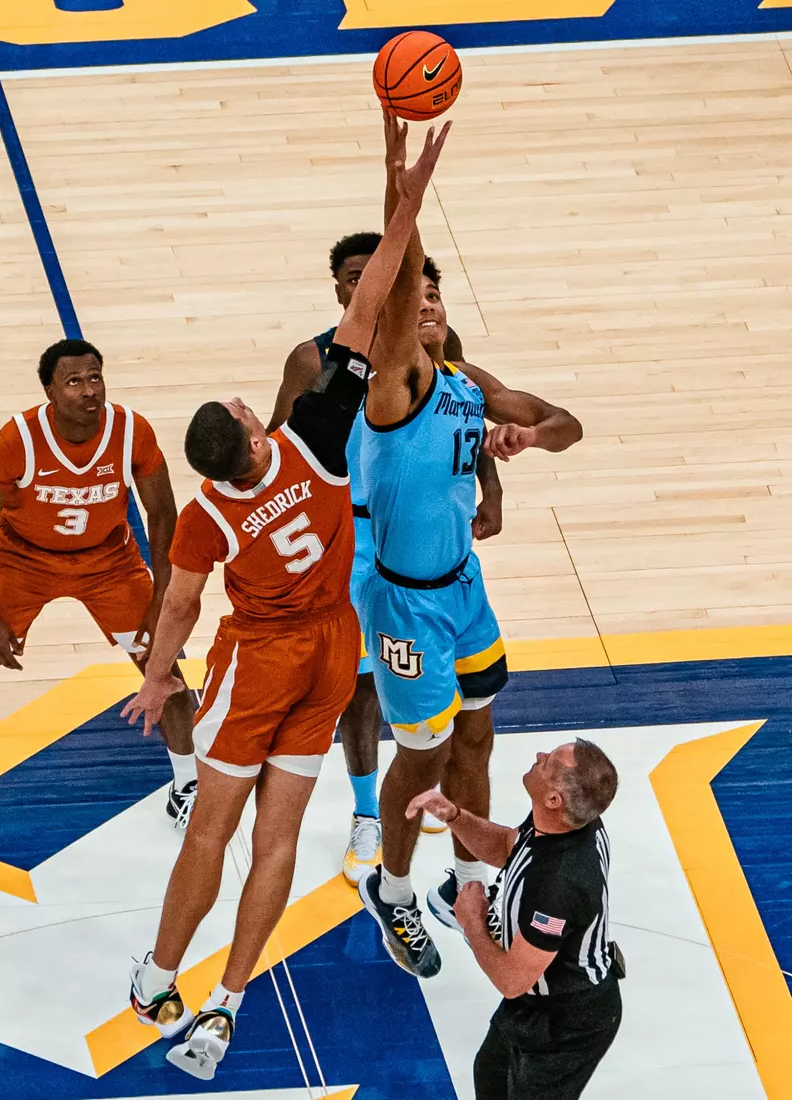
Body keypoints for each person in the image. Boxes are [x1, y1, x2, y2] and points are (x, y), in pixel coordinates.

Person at [119, 121, 452, 1082]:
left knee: (213, 829)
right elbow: (378, 295)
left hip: (260, 660)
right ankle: (224, 1007)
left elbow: (179, 610)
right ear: (249, 427)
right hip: (326, 651)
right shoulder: (315, 436)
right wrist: (406, 192)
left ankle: (158, 976)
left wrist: (155, 680)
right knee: (276, 841)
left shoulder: (206, 518)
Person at [356, 113, 584, 980]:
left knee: (478, 741)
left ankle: (463, 880)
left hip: (462, 588)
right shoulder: (397, 382)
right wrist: (400, 184)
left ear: (447, 311)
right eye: (407, 298)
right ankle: (395, 887)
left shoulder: (462, 380)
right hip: (404, 598)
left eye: (433, 296)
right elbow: (395, 269)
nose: (421, 303)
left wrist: (526, 441)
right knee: (419, 754)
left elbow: (566, 423)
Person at [266, 237, 503, 887]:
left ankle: (431, 792)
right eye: (353, 277)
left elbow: (466, 414)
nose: (365, 287)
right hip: (347, 538)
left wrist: (492, 487)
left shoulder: (435, 346)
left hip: (419, 537)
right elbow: (277, 459)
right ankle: (368, 813)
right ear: (340, 289)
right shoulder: (311, 359)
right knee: (364, 684)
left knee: (449, 681)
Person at [0, 340, 196, 867]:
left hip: (108, 561)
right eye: (74, 382)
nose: (89, 390)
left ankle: (188, 787)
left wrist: (161, 596)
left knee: (166, 671)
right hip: (20, 561)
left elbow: (163, 513)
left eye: (95, 378)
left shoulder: (133, 430)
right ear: (49, 390)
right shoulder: (18, 438)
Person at [407, 739, 622, 1100]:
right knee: (489, 1075)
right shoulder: (567, 822)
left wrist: (472, 921)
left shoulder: (558, 885)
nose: (539, 756)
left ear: (554, 799)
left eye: (549, 761)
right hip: (536, 1004)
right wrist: (453, 816)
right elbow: (509, 845)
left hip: (569, 1022)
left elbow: (511, 981)